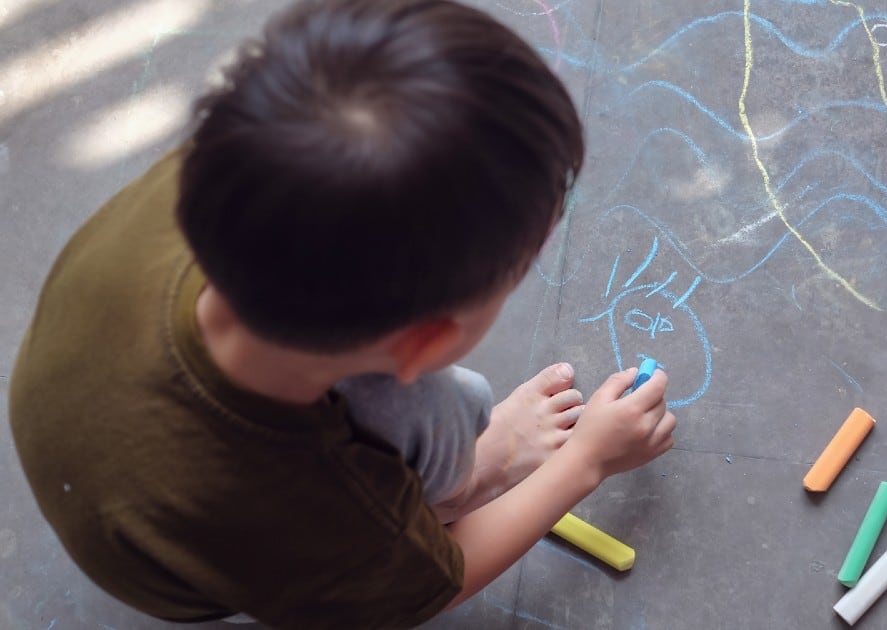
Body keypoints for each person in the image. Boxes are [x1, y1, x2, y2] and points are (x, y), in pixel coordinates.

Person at [7, 0, 677, 627]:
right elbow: (441, 582)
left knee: (440, 410)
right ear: (423, 345)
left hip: (96, 428)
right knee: (453, 409)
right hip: (184, 570)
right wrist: (585, 460)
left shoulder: (225, 171)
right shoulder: (318, 499)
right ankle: (469, 478)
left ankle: (467, 469)